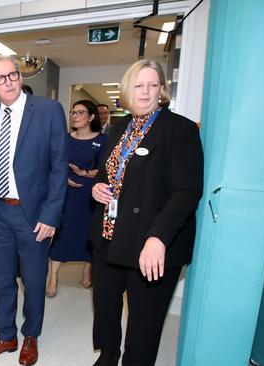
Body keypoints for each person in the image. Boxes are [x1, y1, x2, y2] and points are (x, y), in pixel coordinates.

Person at [89, 59, 203, 365]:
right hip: (109, 236)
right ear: (128, 89)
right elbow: (107, 173)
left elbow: (187, 192)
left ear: (162, 90)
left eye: (153, 85)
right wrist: (96, 187)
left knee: (144, 322)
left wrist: (158, 239)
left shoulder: (180, 130)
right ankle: (108, 354)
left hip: (150, 243)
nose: (145, 92)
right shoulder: (118, 128)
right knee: (106, 307)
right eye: (139, 85)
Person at [0, 55, 68, 366]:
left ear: (19, 75)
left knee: (34, 278)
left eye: (12, 75)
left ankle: (30, 335)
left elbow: (58, 168)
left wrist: (51, 216)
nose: (9, 82)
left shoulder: (47, 110)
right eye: (0, 78)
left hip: (34, 215)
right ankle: (6, 335)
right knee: (2, 277)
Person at [46, 100, 108, 297]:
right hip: (65, 194)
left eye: (80, 112)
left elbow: (105, 169)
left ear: (91, 117)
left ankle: (86, 272)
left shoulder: (103, 140)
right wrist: (64, 178)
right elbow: (52, 163)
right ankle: (53, 277)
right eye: (73, 112)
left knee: (88, 233)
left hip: (91, 194)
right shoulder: (64, 138)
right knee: (61, 233)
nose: (75, 115)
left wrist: (85, 173)